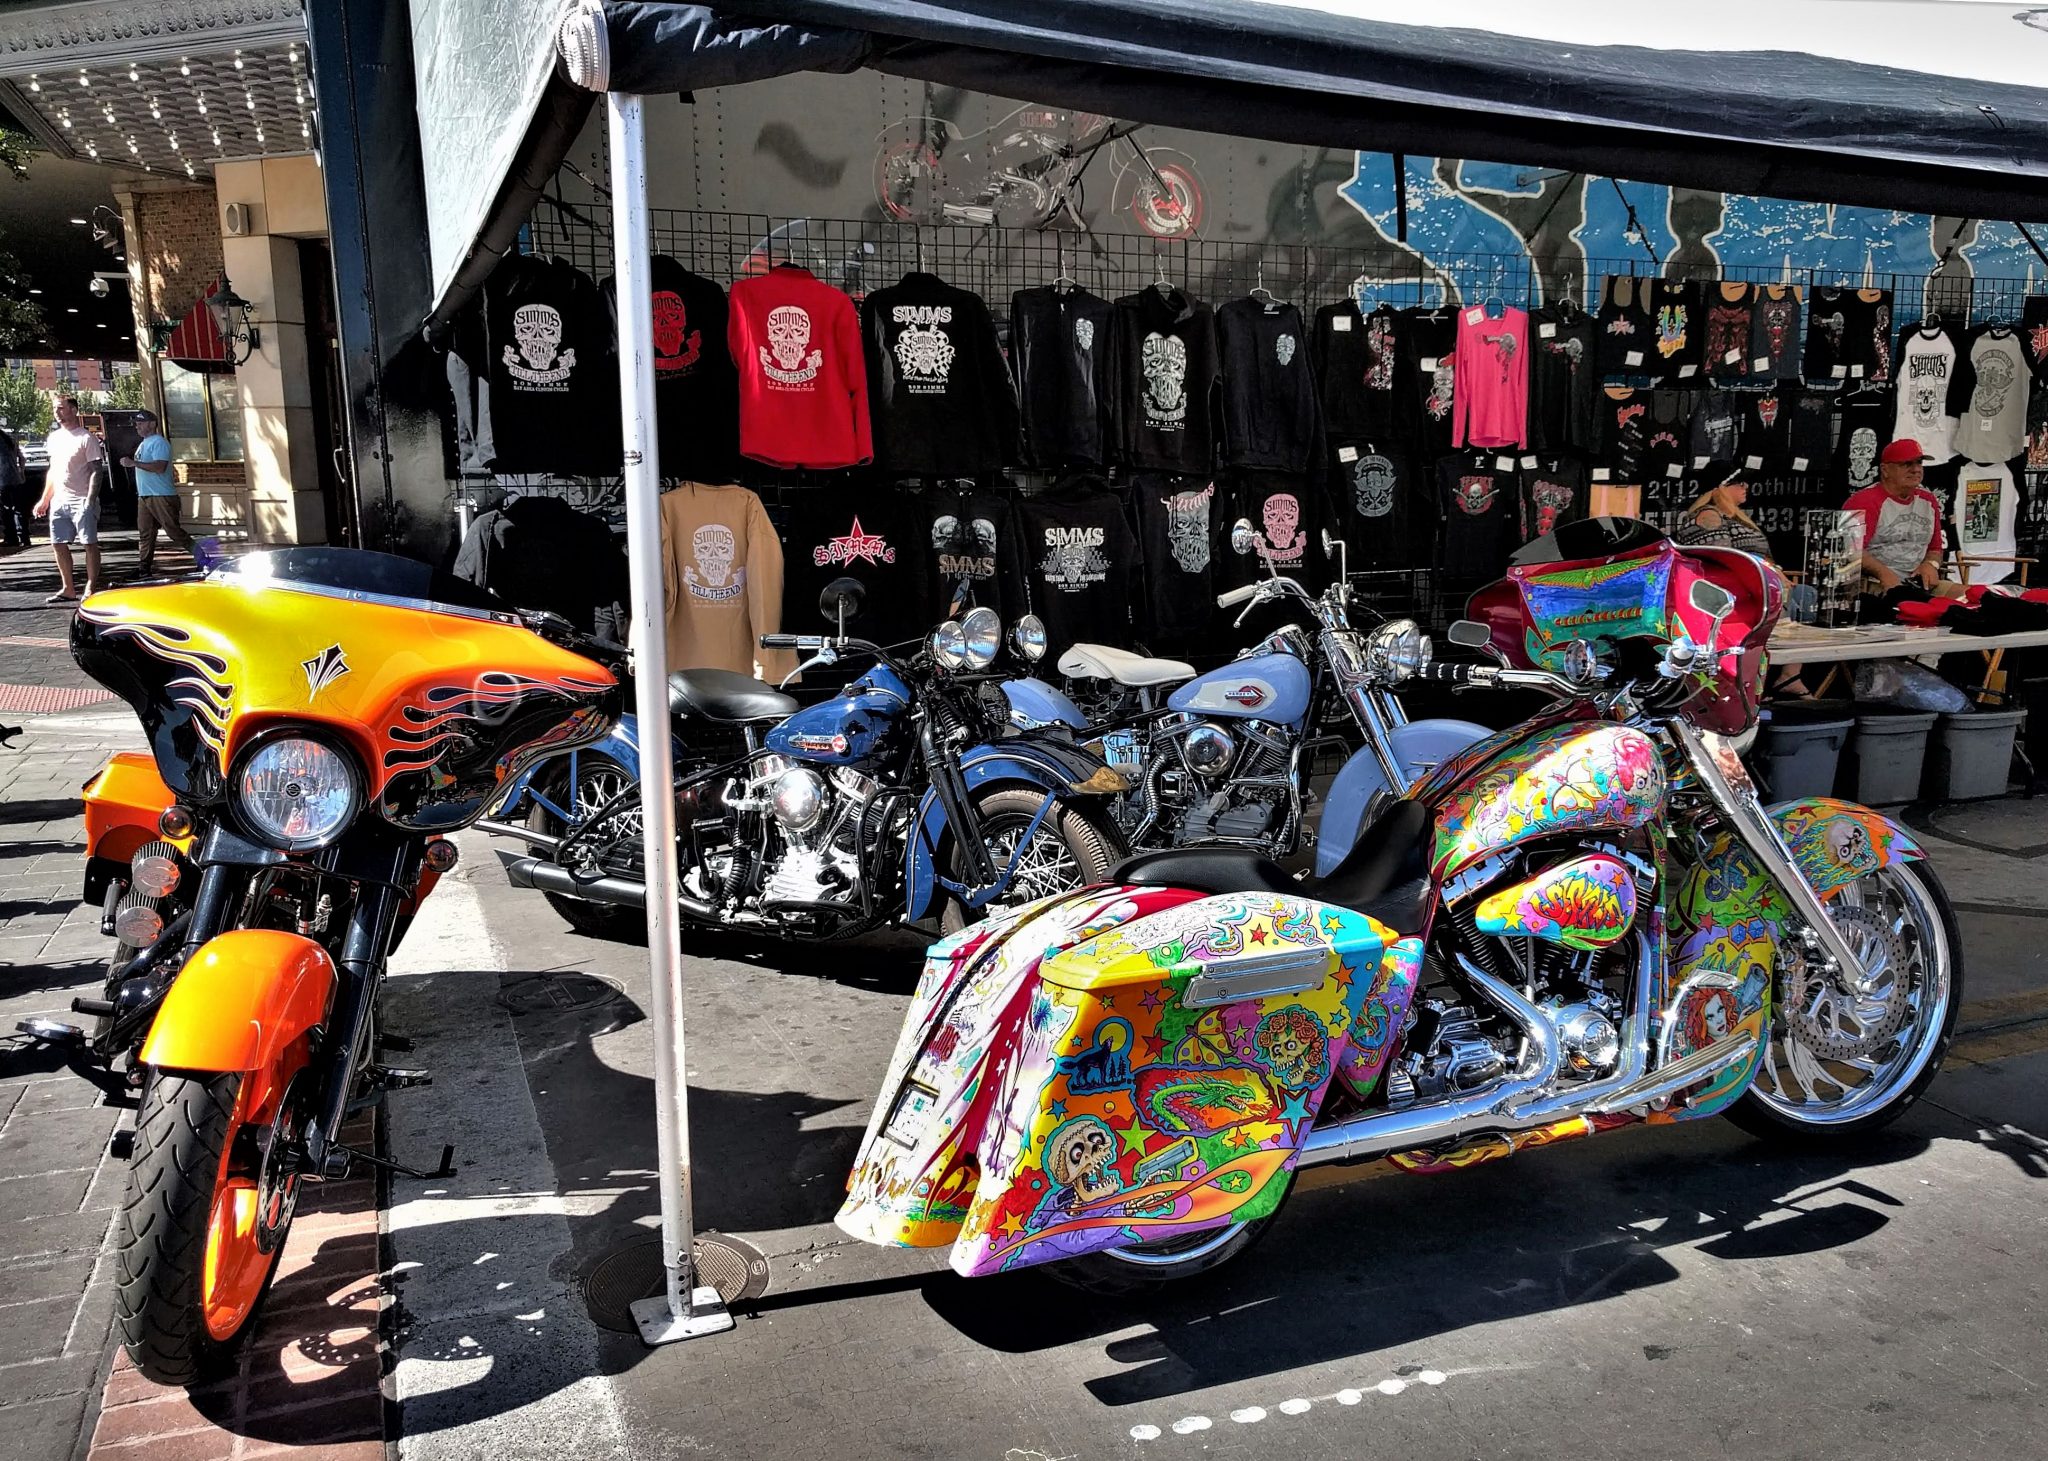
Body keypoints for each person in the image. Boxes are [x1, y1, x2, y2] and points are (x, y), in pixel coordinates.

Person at [1677, 467, 1810, 696]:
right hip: (1736, 587)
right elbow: (1723, 558)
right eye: (1739, 483)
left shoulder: (1734, 516)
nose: (1745, 488)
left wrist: (1776, 572)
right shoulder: (1708, 516)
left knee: (1806, 593)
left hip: (1760, 580)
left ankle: (1790, 674)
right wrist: (1768, 572)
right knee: (1796, 596)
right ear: (1720, 488)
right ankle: (1771, 676)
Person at [1844, 438, 1966, 611]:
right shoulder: (1863, 501)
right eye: (1907, 464)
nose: (1916, 469)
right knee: (1931, 610)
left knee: (1974, 598)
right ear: (1885, 470)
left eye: (1919, 463)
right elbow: (1851, 551)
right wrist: (1883, 573)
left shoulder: (1929, 500)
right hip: (1874, 585)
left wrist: (1931, 565)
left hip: (1920, 585)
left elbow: (1935, 548)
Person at [32, 396, 105, 601]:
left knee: (89, 543)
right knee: (58, 543)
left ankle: (90, 586)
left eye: (61, 408)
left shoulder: (86, 438)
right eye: (55, 409)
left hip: (81, 498)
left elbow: (96, 471)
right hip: (60, 499)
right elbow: (53, 471)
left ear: (73, 410)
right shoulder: (54, 438)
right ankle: (68, 588)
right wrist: (45, 499)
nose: (57, 412)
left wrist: (90, 500)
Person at [120, 409, 193, 576]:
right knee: (145, 533)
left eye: (141, 423)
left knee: (173, 531)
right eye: (136, 424)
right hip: (145, 495)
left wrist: (134, 463)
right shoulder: (144, 443)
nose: (137, 426)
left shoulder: (159, 443)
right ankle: (143, 569)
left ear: (152, 424)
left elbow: (160, 467)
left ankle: (203, 558)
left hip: (161, 494)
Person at [1675, 467, 1772, 559]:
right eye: (1740, 483)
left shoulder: (1731, 516)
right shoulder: (1708, 515)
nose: (1746, 486)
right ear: (1722, 487)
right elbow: (1720, 559)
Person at [0, 424, 27, 550]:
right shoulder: (9, 439)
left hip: (2, 479)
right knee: (18, 508)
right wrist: (21, 472)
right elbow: (22, 458)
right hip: (15, 478)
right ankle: (23, 537)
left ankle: (11, 538)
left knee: (6, 509)